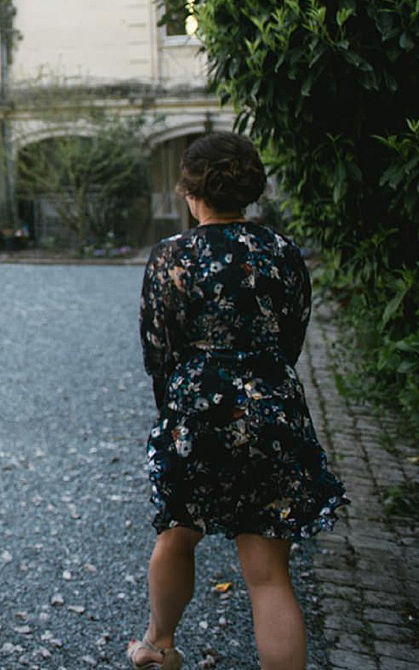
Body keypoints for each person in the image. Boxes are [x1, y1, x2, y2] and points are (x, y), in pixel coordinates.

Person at [132, 132, 347, 670]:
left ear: (190, 191)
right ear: (249, 189)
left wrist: (176, 413)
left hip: (197, 412)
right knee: (269, 571)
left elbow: (158, 351)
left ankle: (159, 646)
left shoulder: (170, 258)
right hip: (272, 409)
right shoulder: (284, 253)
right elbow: (292, 338)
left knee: (177, 535)